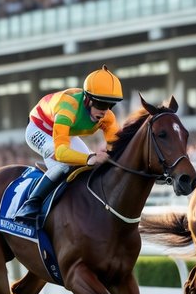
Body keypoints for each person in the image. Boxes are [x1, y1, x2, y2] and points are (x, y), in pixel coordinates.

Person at [13, 66, 123, 223]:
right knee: (63, 166)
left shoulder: (107, 117)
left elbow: (117, 147)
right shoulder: (68, 107)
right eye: (100, 104)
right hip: (39, 129)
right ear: (88, 99)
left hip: (64, 133)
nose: (104, 111)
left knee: (89, 167)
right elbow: (61, 153)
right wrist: (90, 157)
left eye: (110, 105)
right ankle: (30, 205)